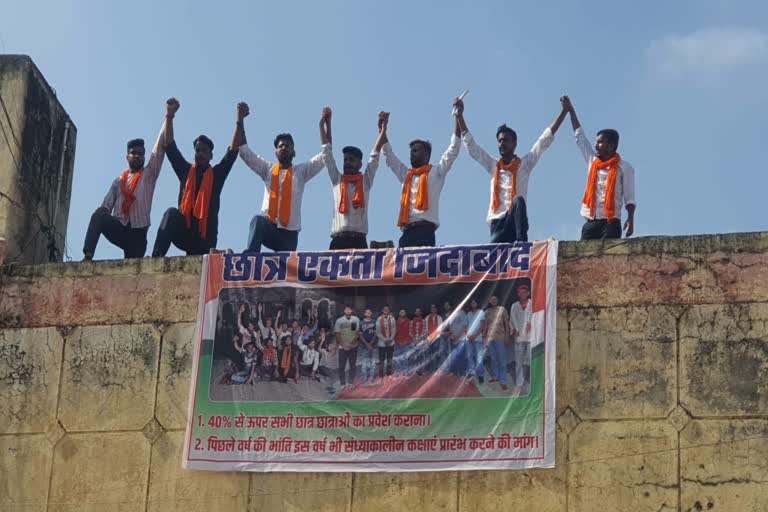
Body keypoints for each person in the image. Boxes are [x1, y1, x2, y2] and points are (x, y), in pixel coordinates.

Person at [454, 97, 567, 243]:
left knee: (518, 201)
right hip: (498, 225)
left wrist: (564, 112)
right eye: (499, 141)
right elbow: (472, 148)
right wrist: (460, 116)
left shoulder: (525, 164)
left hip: (516, 223)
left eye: (505, 140)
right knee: (497, 260)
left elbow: (544, 140)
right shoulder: (493, 166)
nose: (501, 144)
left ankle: (522, 246)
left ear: (514, 143)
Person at [151, 100, 241, 256]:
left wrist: (239, 120)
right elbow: (170, 145)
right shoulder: (186, 171)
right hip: (185, 233)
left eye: (204, 151)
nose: (199, 154)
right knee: (171, 213)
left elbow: (233, 151)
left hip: (205, 240)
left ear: (210, 155)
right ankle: (155, 259)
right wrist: (170, 115)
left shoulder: (217, 175)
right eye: (197, 150)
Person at [236, 103, 329, 252]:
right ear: (276, 152)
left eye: (288, 146)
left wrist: (324, 126)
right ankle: (250, 260)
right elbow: (244, 152)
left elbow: (326, 155)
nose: (284, 148)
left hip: (289, 235)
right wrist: (240, 119)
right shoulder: (267, 169)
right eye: (280, 146)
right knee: (257, 221)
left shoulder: (302, 171)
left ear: (294, 152)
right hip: (269, 226)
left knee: (285, 272)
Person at [83, 100, 169, 260]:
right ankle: (87, 256)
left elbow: (160, 146)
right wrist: (102, 212)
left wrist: (168, 116)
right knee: (97, 217)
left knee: (132, 270)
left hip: (138, 233)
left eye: (140, 153)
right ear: (127, 156)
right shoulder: (118, 182)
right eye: (133, 153)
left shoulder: (149, 174)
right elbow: (106, 206)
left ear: (144, 156)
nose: (137, 155)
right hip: (120, 227)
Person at [381, 103, 462, 247]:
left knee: (424, 270)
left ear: (426, 154)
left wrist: (458, 117)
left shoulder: (436, 172)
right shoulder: (407, 175)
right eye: (411, 151)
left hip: (426, 232)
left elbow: (453, 149)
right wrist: (382, 130)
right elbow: (389, 156)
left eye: (416, 150)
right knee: (403, 270)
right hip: (406, 232)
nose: (412, 154)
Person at [561, 95, 636, 240]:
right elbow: (580, 137)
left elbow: (630, 198)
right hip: (591, 222)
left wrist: (631, 220)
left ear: (611, 146)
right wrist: (570, 110)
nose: (596, 146)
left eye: (600, 142)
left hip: (611, 223)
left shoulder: (624, 168)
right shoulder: (592, 161)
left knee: (607, 260)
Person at [321, 108, 390, 249]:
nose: (347, 162)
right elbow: (327, 152)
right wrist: (325, 124)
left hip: (358, 241)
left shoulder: (365, 182)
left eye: (351, 160)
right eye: (345, 159)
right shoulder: (337, 180)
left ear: (360, 164)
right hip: (337, 241)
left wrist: (383, 130)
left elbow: (375, 155)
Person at [509, 283, 533, 395]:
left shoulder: (532, 304)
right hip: (519, 337)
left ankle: (531, 379)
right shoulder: (514, 305)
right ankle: (519, 384)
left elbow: (536, 316)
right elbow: (512, 319)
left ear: (528, 293)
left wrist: (531, 323)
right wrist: (514, 329)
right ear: (518, 294)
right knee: (518, 361)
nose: (522, 294)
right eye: (520, 292)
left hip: (531, 336)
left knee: (530, 358)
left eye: (524, 292)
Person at [484, 295, 511, 391]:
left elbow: (506, 324)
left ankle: (503, 381)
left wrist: (507, 335)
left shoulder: (502, 309)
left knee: (502, 360)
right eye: (492, 299)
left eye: (495, 299)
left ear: (497, 300)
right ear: (489, 301)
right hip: (490, 338)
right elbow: (486, 326)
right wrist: (484, 338)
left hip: (500, 337)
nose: (493, 301)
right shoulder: (487, 312)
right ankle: (495, 377)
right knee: (493, 359)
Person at [334, 305, 361, 389]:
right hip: (342, 347)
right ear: (344, 311)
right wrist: (343, 344)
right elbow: (337, 334)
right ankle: (342, 383)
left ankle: (351, 382)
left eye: (349, 309)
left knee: (352, 365)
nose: (348, 311)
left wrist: (351, 344)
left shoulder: (355, 319)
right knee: (342, 365)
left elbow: (355, 333)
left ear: (352, 310)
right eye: (346, 309)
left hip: (353, 346)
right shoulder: (339, 320)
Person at [466, 298, 486, 383]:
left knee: (479, 357)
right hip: (469, 338)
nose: (473, 304)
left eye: (474, 302)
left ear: (477, 303)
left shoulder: (481, 312)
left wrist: (474, 336)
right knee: (470, 356)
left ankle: (481, 375)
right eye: (472, 303)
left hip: (477, 338)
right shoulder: (469, 313)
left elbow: (482, 326)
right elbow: (466, 326)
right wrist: (468, 335)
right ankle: (472, 373)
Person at [375, 305, 397, 379]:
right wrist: (385, 340)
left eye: (387, 309)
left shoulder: (392, 318)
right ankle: (381, 375)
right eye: (384, 309)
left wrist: (390, 339)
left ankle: (388, 374)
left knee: (389, 359)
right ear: (382, 310)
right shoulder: (378, 319)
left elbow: (394, 329)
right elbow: (378, 332)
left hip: (391, 342)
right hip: (382, 343)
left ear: (389, 310)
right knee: (381, 360)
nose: (386, 310)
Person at [358, 308, 378, 385]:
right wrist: (367, 344)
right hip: (363, 346)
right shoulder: (361, 323)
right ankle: (364, 379)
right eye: (367, 312)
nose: (368, 313)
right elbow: (360, 335)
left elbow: (376, 334)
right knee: (364, 363)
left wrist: (371, 343)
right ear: (364, 314)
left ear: (371, 313)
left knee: (373, 363)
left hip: (374, 345)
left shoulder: (375, 322)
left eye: (370, 312)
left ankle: (372, 378)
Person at [393, 309, 413, 377]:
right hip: (398, 343)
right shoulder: (396, 322)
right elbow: (394, 333)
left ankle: (406, 372)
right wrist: (397, 341)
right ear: (399, 313)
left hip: (406, 343)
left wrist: (406, 341)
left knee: (406, 358)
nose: (402, 313)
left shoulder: (409, 321)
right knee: (397, 358)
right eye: (401, 312)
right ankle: (398, 372)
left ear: (405, 313)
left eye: (403, 312)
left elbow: (411, 332)